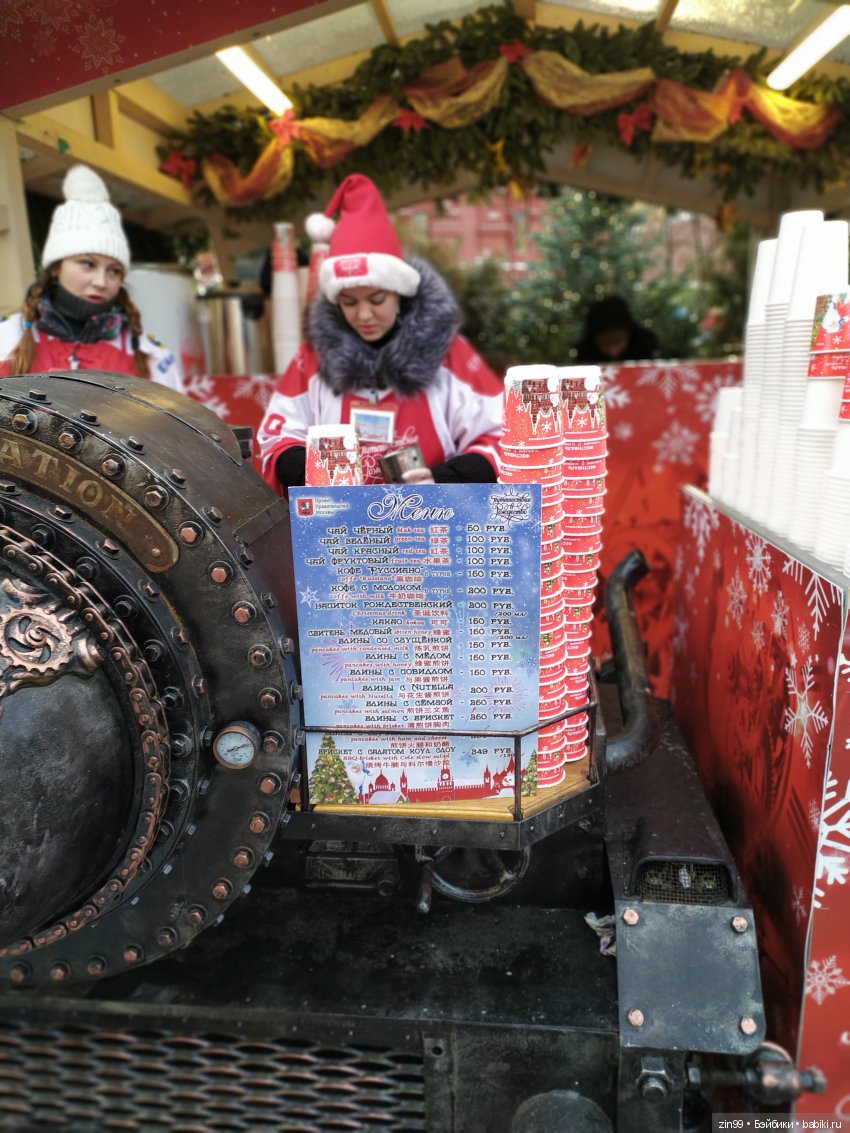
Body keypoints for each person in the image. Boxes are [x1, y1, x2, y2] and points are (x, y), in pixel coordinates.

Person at [257, 174, 502, 489]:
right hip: (339, 528)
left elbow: (503, 436)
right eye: (348, 302)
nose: (363, 315)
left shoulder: (449, 354)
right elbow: (275, 439)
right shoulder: (313, 358)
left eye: (377, 299)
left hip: (435, 523)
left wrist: (445, 479)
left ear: (399, 292)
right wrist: (314, 472)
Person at [0, 164, 183, 391]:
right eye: (88, 264)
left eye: (114, 271)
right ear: (56, 267)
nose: (101, 282)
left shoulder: (151, 355)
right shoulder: (5, 339)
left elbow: (178, 426)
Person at [574, 295, 660, 364]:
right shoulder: (585, 353)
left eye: (618, 341)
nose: (613, 351)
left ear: (628, 334)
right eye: (605, 344)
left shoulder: (645, 345)